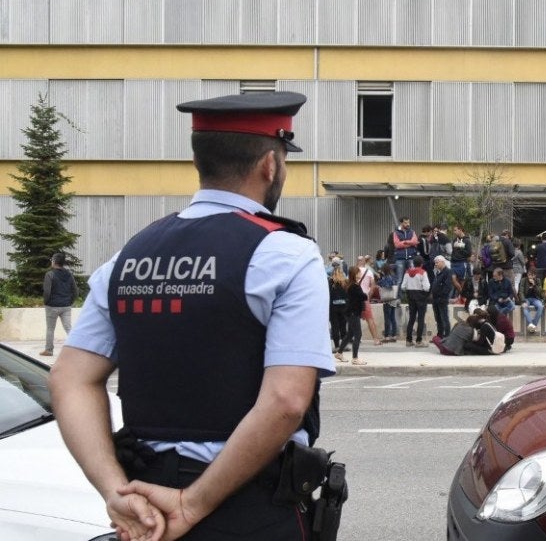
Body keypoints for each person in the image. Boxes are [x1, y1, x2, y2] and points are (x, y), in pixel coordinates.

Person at [48, 91, 335, 541]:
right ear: (270, 165)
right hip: (247, 504)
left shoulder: (129, 257)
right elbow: (286, 401)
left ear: (199, 161)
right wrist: (193, 502)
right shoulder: (287, 255)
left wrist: (114, 491)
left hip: (145, 504)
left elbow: (70, 379)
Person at [42, 252, 79, 357]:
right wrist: (70, 302)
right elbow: (75, 291)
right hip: (66, 306)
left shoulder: (50, 274)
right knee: (68, 328)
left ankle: (49, 350)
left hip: (52, 306)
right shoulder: (69, 274)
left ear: (54, 261)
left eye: (52, 260)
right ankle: (77, 349)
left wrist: (46, 302)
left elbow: (47, 292)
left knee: (50, 329)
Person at [335, 265, 368, 365]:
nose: (360, 273)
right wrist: (365, 293)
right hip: (353, 313)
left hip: (350, 312)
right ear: (355, 274)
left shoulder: (351, 285)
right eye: (358, 272)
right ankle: (355, 358)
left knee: (350, 334)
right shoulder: (354, 286)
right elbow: (363, 297)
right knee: (358, 334)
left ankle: (339, 353)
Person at [401, 255, 430, 347]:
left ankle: (409, 340)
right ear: (421, 264)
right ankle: (419, 341)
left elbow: (403, 287)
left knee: (411, 318)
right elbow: (427, 287)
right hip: (421, 296)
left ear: (413, 263)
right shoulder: (423, 272)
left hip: (411, 297)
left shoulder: (407, 272)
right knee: (421, 319)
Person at [357, 255, 382, 345]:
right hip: (365, 298)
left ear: (357, 261)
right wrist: (369, 296)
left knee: (355, 319)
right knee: (369, 319)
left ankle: (356, 338)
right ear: (364, 262)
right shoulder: (369, 271)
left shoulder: (353, 271)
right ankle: (376, 340)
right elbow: (373, 286)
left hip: (355, 298)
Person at [430, 255, 453, 339]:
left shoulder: (447, 272)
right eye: (435, 263)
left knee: (444, 318)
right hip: (435, 299)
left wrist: (441, 296)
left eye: (437, 262)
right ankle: (440, 336)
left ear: (443, 262)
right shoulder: (437, 272)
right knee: (438, 319)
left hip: (442, 299)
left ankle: (447, 336)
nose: (435, 264)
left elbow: (448, 287)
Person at [393, 216, 419, 285]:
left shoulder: (412, 232)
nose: (408, 224)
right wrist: (410, 243)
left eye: (408, 222)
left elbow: (415, 242)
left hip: (411, 258)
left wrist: (405, 242)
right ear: (401, 223)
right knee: (400, 279)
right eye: (405, 223)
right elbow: (397, 245)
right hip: (400, 258)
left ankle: (412, 292)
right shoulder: (396, 233)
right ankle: (399, 292)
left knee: (413, 278)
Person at [329, 266, 349, 352]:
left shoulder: (330, 282)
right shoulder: (345, 283)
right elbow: (347, 295)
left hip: (333, 307)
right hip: (343, 307)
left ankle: (337, 346)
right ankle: (344, 346)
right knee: (343, 326)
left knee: (335, 327)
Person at [377, 262, 399, 342]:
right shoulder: (394, 276)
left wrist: (380, 279)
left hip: (387, 300)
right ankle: (394, 335)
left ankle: (387, 336)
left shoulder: (386, 277)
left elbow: (385, 285)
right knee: (393, 318)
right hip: (394, 299)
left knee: (387, 318)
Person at [519, 268, 544, 334]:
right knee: (525, 307)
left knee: (540, 306)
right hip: (526, 298)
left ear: (535, 275)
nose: (530, 276)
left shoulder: (538, 280)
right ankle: (531, 324)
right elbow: (521, 292)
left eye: (532, 275)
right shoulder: (523, 280)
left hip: (535, 299)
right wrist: (523, 301)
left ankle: (533, 325)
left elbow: (540, 293)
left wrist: (534, 285)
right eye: (529, 274)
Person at [450, 224, 473, 291]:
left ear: (460, 230)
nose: (454, 232)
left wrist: (460, 247)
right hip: (454, 263)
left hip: (462, 263)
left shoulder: (467, 240)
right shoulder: (455, 240)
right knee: (453, 280)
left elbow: (469, 253)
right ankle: (462, 294)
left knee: (462, 282)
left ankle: (462, 295)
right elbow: (454, 251)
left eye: (455, 230)